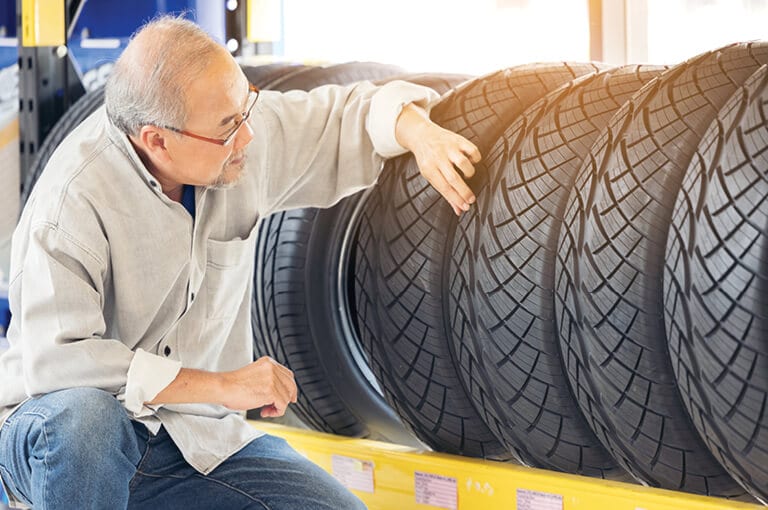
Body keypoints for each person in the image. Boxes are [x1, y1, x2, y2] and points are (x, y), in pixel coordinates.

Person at [0, 15, 479, 510]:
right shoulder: (70, 201)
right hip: (57, 441)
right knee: (88, 421)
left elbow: (346, 115)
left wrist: (419, 132)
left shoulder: (231, 140)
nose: (248, 135)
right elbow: (58, 365)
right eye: (229, 127)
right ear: (157, 140)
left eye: (245, 106)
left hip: (192, 440)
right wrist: (223, 385)